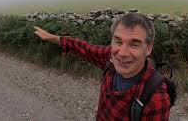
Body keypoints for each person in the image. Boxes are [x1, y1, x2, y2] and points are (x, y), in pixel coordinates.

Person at [34, 12, 172, 121]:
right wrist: (54, 38)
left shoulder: (156, 100)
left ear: (148, 48)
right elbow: (85, 48)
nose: (122, 53)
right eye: (118, 41)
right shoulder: (110, 57)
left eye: (134, 44)